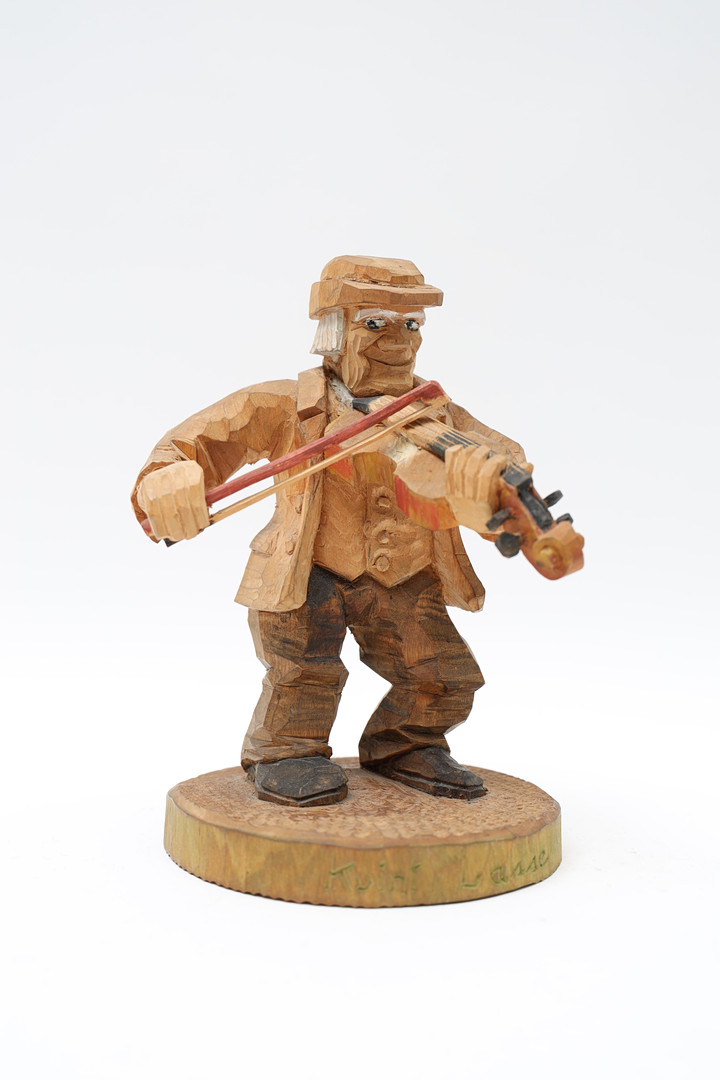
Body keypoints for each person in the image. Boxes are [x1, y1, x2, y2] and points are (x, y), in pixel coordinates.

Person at [132, 256, 527, 807]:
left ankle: (406, 745)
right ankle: (285, 753)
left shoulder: (437, 415)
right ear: (333, 331)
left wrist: (494, 487)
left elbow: (504, 456)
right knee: (304, 670)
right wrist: (168, 477)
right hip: (308, 571)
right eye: (375, 323)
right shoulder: (282, 405)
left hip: (407, 575)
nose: (398, 342)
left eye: (412, 325)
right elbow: (189, 445)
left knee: (443, 674)